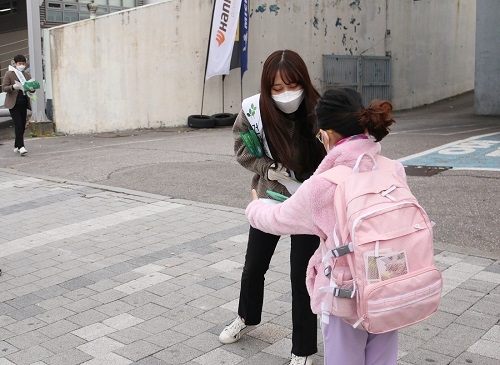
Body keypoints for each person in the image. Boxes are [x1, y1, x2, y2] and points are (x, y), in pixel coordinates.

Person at [245, 88, 402, 365]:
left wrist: (255, 205)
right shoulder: (392, 167)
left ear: (327, 135)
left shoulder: (324, 185)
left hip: (347, 289)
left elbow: (278, 219)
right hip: (389, 276)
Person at [219, 50, 326, 365]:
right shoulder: (254, 111)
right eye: (277, 88)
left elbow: (338, 152)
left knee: (301, 277)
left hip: (307, 203)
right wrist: (267, 168)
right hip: (269, 198)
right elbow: (241, 149)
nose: (285, 94)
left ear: (303, 82)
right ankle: (247, 318)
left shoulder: (319, 111)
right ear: (267, 88)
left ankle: (302, 350)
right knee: (254, 266)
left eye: (292, 85)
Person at [2, 54, 34, 156]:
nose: (22, 65)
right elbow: (4, 88)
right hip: (13, 104)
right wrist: (13, 87)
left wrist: (32, 89)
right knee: (18, 125)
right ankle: (21, 147)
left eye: (23, 64)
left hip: (23, 103)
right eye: (20, 63)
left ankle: (16, 144)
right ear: (15, 63)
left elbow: (31, 89)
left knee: (22, 126)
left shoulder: (27, 75)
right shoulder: (9, 74)